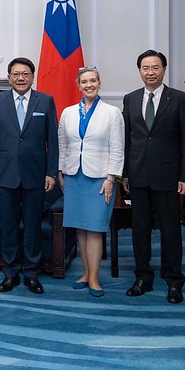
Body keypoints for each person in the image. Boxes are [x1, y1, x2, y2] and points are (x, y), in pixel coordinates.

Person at [122, 50, 185, 304]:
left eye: (155, 67)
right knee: (139, 230)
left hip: (169, 176)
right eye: (145, 68)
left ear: (164, 69)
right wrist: (125, 174)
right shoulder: (130, 99)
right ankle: (143, 277)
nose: (150, 72)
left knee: (170, 230)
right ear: (139, 71)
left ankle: (174, 281)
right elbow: (127, 139)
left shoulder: (180, 99)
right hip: (138, 175)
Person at [0, 57, 58, 294]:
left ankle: (31, 273)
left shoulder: (45, 101)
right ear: (9, 78)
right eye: (16, 74)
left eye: (25, 74)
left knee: (32, 226)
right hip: (5, 174)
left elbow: (52, 140)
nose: (20, 78)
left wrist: (51, 172)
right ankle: (10, 273)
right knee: (7, 225)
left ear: (32, 77)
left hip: (35, 174)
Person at [58, 66, 124, 298]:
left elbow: (117, 148)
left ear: (99, 83)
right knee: (80, 229)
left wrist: (111, 178)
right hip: (74, 176)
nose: (89, 85)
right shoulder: (67, 113)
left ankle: (94, 279)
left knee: (95, 229)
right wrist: (61, 171)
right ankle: (85, 273)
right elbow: (63, 145)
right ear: (79, 85)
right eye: (84, 82)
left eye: (93, 80)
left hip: (100, 179)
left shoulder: (112, 112)